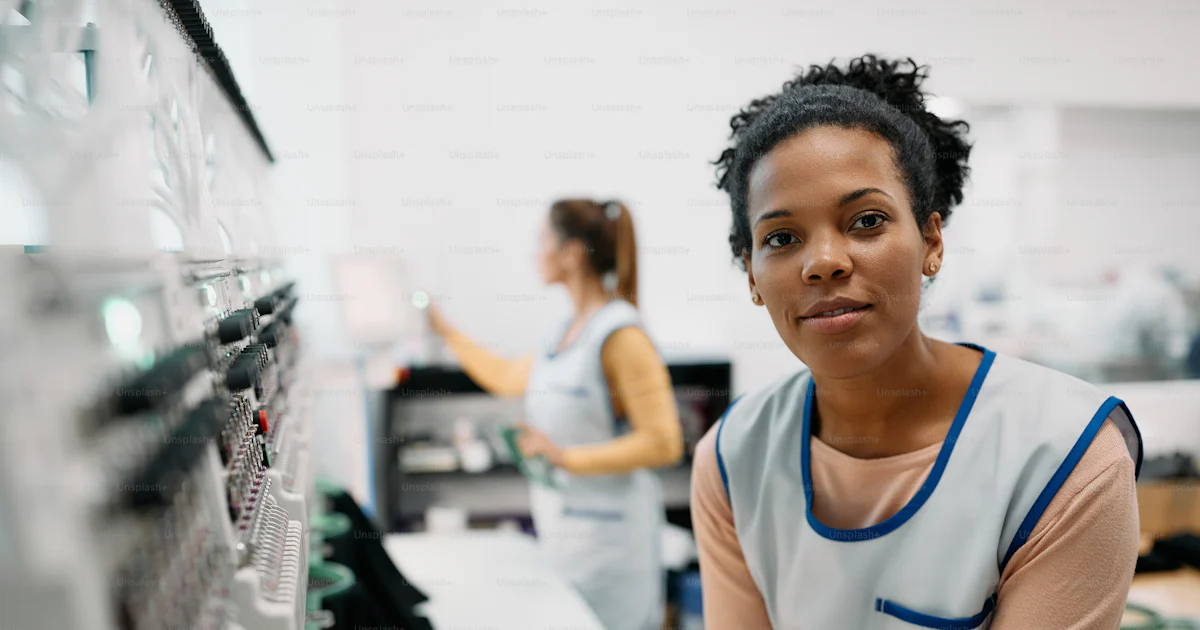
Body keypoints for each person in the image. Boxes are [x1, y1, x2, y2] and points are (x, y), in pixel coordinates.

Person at [691, 55, 1143, 629]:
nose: (824, 262)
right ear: (752, 275)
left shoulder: (1065, 456)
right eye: (781, 237)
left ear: (931, 238)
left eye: (866, 221)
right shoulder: (734, 458)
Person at [426, 198, 683, 630]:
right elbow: (506, 377)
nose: (535, 251)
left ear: (572, 253)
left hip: (613, 548)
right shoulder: (561, 332)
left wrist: (564, 457)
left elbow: (663, 442)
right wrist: (445, 330)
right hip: (567, 539)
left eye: (541, 239)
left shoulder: (621, 334)